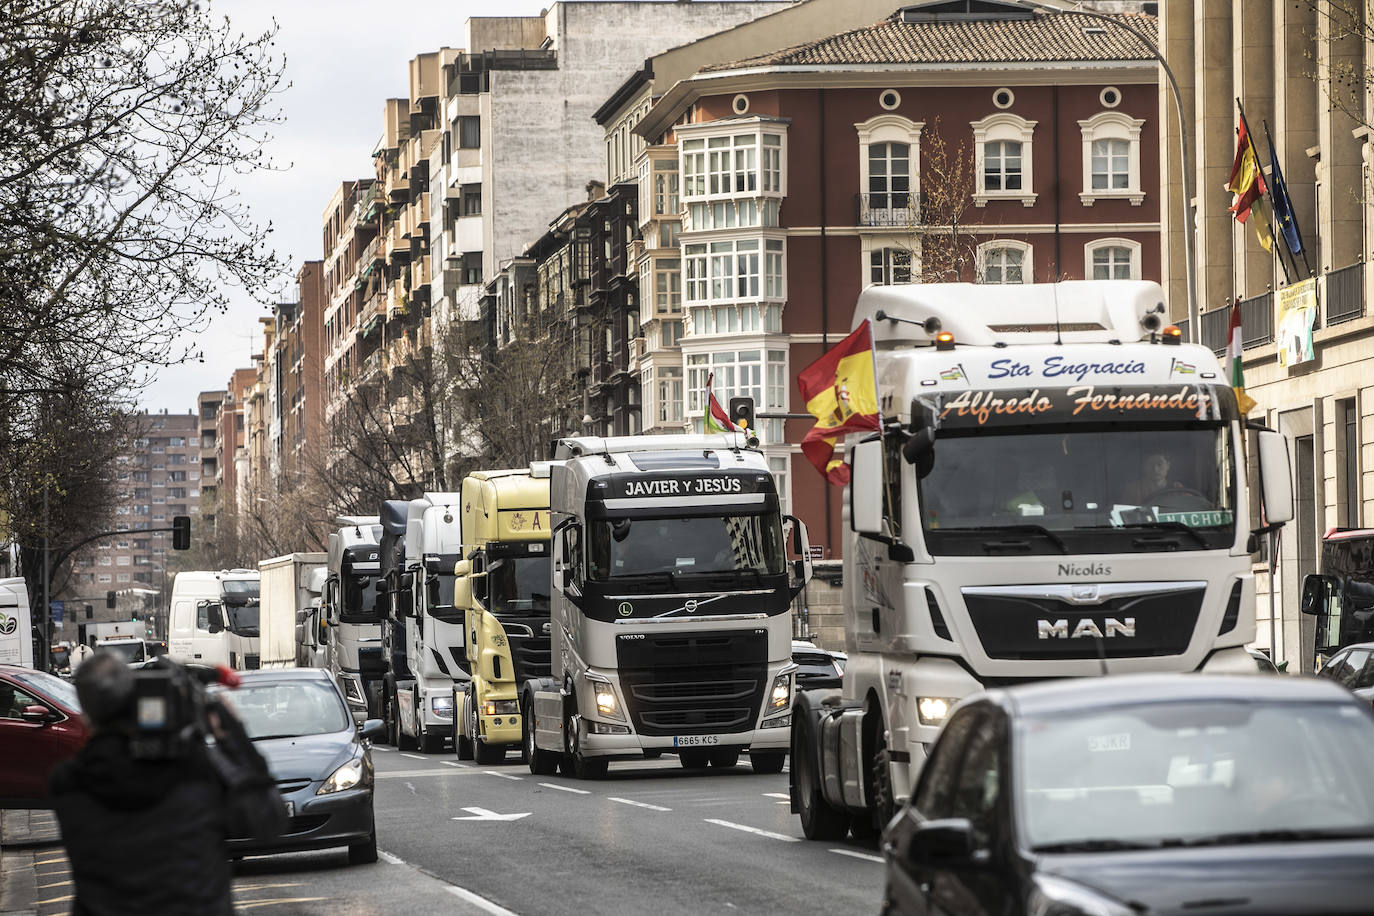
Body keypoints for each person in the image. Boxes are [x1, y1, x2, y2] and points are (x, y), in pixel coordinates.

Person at [49, 652, 267, 915]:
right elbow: (266, 818)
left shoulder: (68, 783)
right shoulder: (194, 767)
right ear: (134, 699)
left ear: (85, 715)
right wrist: (232, 733)